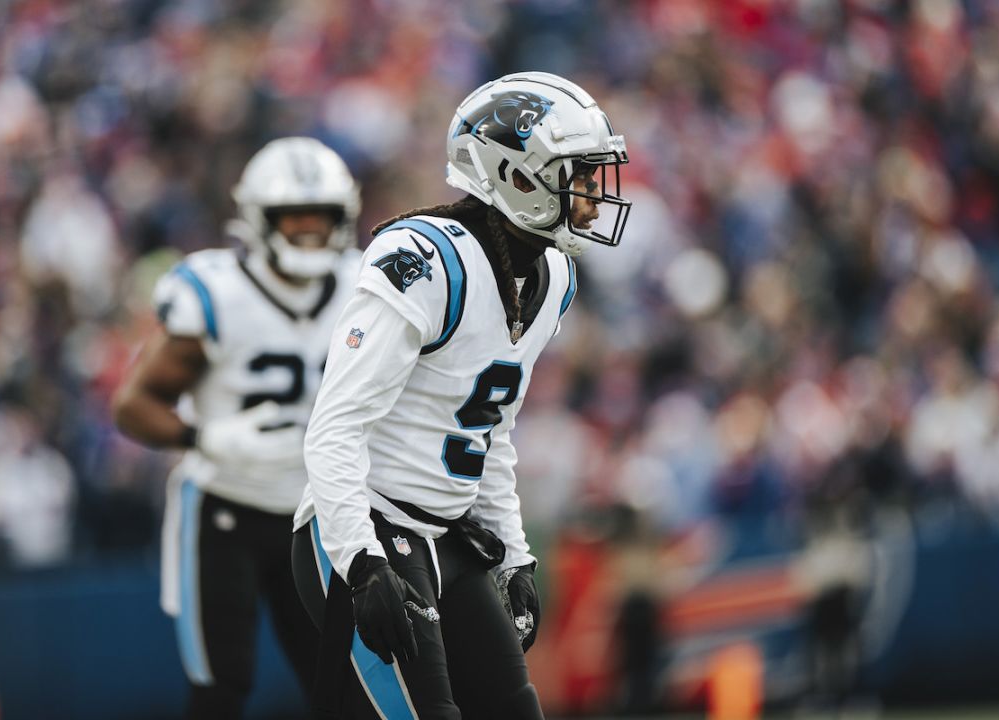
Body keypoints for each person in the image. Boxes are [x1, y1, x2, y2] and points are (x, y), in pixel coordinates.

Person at [289, 71, 632, 719]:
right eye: (578, 175)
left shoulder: (552, 276)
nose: (592, 194)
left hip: (450, 532)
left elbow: (489, 428)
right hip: (367, 527)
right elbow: (334, 426)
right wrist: (360, 563)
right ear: (518, 178)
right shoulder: (424, 259)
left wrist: (515, 553)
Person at [112, 137, 363, 719]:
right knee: (221, 689)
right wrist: (205, 439)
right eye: (291, 218)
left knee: (343, 688)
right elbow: (133, 404)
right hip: (226, 508)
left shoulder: (366, 286)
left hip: (320, 513)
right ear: (257, 220)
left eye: (319, 219)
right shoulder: (216, 293)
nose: (306, 232)